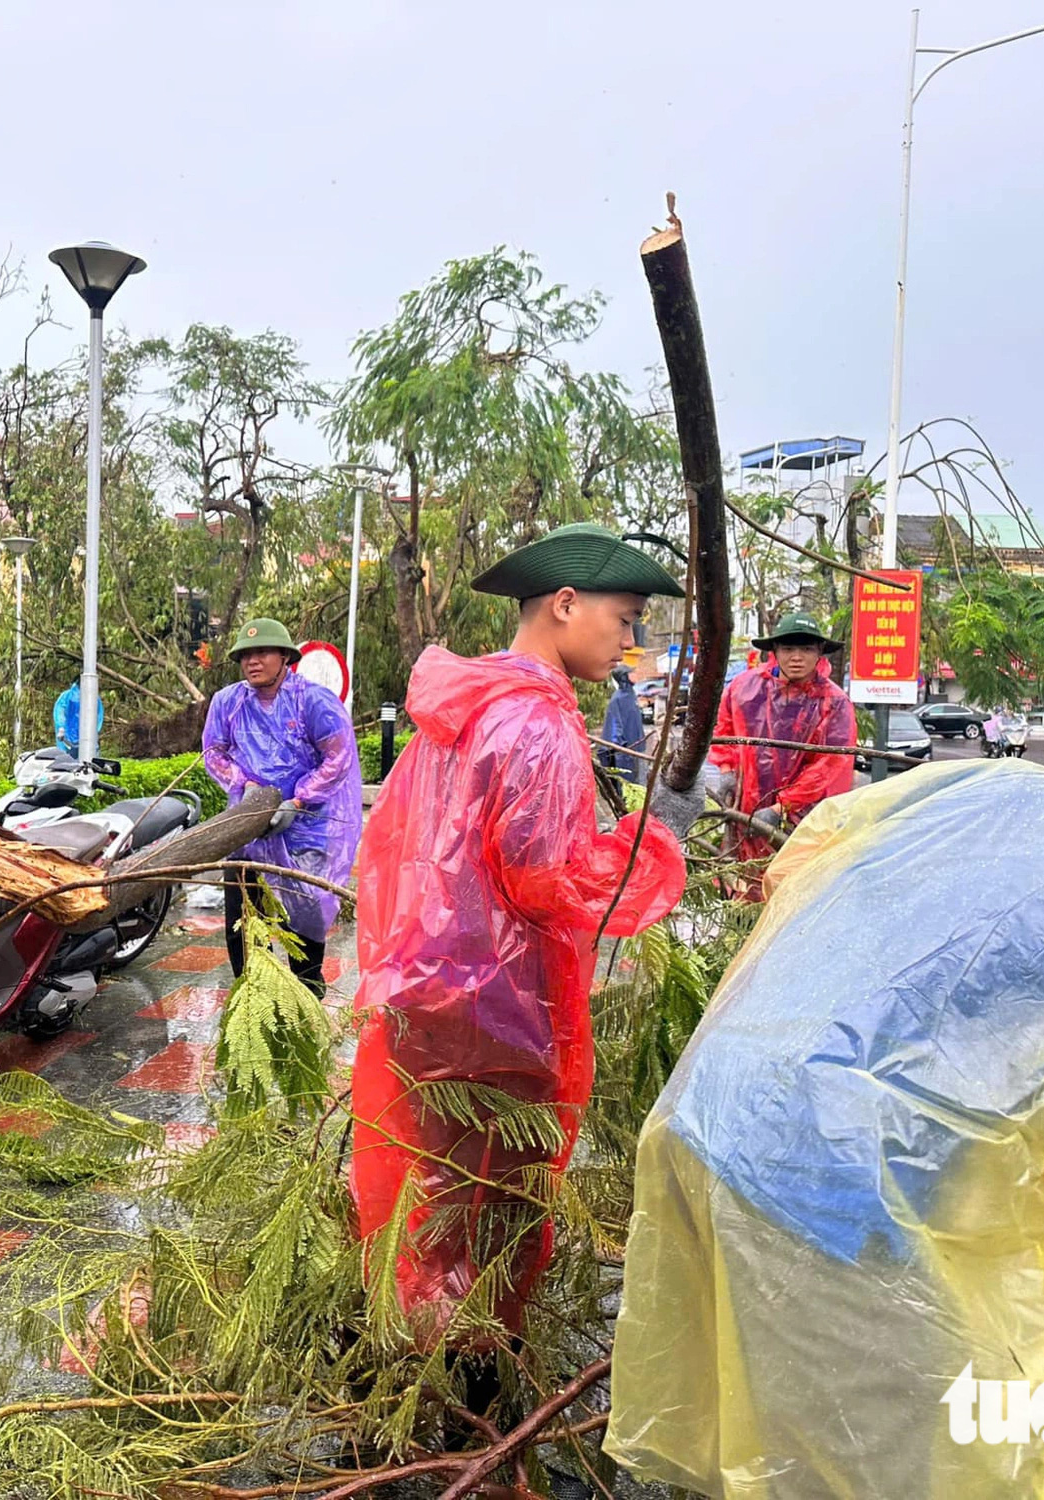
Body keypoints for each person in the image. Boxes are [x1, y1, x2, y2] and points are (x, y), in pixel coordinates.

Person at [604, 731, 1044, 1500]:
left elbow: (810, 851)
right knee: (897, 1461)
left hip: (711, 1106)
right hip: (847, 1196)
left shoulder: (1002, 791)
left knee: (778, 1433)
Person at [350, 523, 700, 1382]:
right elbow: (552, 879)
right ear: (565, 604)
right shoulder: (538, 722)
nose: (631, 641)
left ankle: (402, 1354)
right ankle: (464, 1381)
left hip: (425, 986)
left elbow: (397, 851)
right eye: (624, 619)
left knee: (433, 1190)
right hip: (499, 1007)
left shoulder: (463, 707)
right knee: (491, 1203)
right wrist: (657, 847)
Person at [200, 617, 363, 999]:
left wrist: (299, 798)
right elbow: (213, 753)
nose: (252, 662)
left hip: (303, 828)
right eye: (245, 655)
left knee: (304, 918)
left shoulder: (313, 701)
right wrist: (246, 784)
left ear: (285, 657)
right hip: (247, 829)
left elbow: (338, 758)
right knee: (244, 920)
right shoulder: (228, 702)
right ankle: (252, 1001)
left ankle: (306, 997)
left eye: (262, 652)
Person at [708, 612, 855, 877]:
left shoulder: (833, 702)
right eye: (788, 648)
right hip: (745, 809)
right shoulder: (745, 688)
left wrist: (781, 807)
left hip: (803, 820)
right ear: (775, 650)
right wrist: (727, 769)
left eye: (806, 648)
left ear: (820, 651)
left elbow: (830, 765)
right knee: (743, 883)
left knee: (792, 886)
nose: (796, 657)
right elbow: (724, 728)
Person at [597, 666, 646, 784]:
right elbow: (613, 725)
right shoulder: (618, 699)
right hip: (626, 750)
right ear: (624, 677)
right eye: (631, 673)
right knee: (627, 782)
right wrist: (619, 748)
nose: (635, 675)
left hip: (638, 747)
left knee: (640, 780)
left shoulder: (631, 695)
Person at [53, 679, 104, 757]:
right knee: (67, 761)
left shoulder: (93, 698)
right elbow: (59, 713)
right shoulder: (67, 696)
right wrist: (61, 727)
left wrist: (93, 731)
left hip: (87, 739)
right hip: (68, 739)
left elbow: (98, 717)